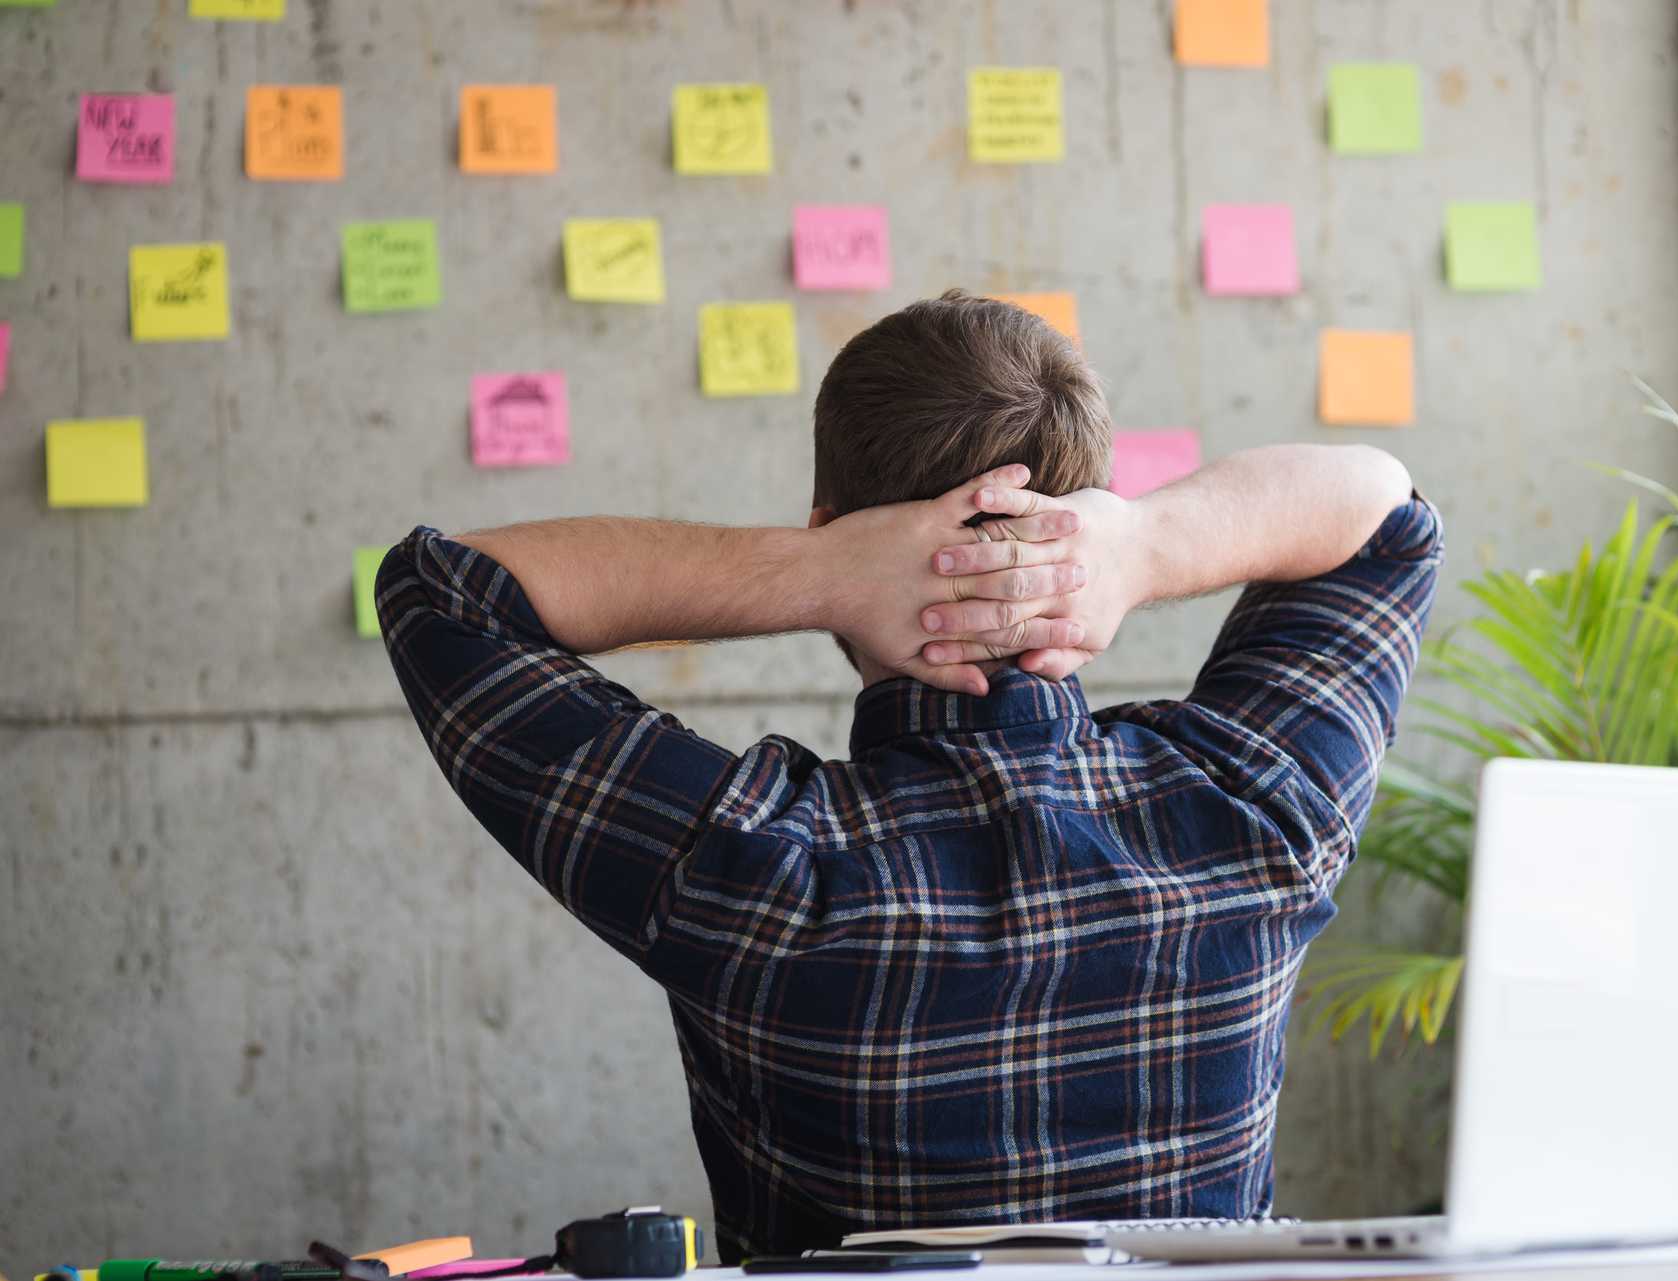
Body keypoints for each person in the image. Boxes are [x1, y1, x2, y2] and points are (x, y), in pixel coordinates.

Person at [376, 290, 1442, 1263]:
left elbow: (443, 593)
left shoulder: (751, 872)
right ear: (1090, 520)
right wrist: (1149, 545)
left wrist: (817, 574)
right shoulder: (1252, 809)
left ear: (832, 524)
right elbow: (1385, 520)